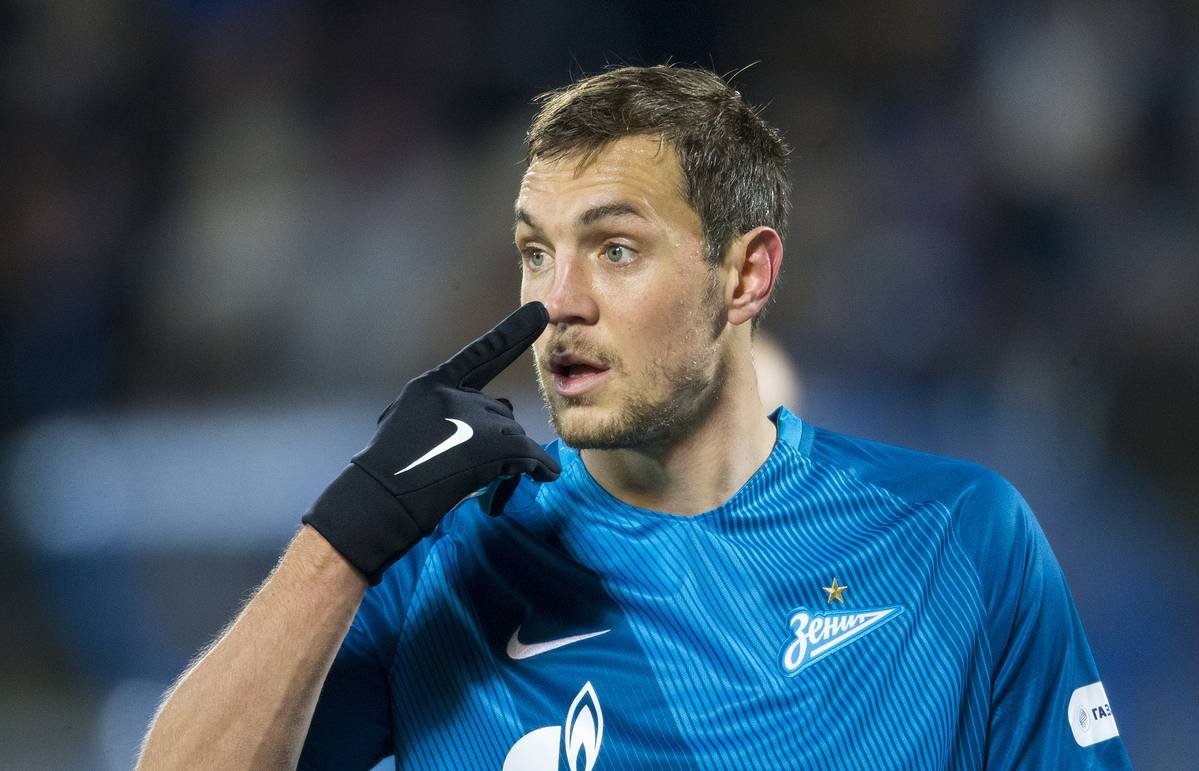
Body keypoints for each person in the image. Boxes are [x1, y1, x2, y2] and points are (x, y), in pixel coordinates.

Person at [138, 65, 1131, 770]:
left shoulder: (956, 536)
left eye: (615, 249)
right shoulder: (448, 563)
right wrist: (347, 534)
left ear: (745, 274)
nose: (556, 302)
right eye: (536, 253)